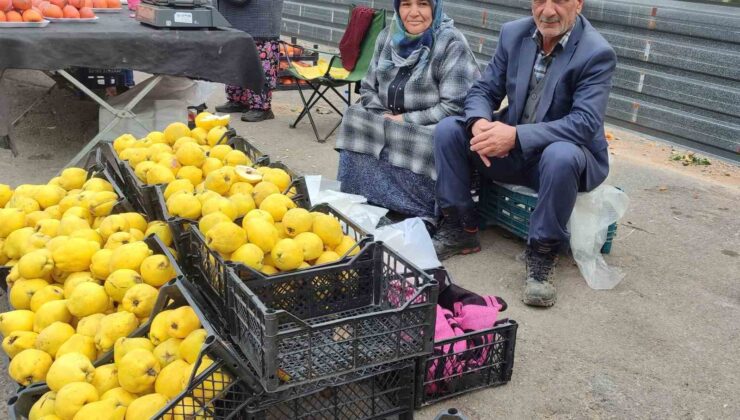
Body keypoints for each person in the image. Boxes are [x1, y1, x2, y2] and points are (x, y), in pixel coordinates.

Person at [432, 0, 617, 307]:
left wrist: (516, 136)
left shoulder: (596, 52)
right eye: (540, 0)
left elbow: (584, 123)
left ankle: (543, 253)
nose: (548, 10)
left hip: (559, 162)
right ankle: (460, 226)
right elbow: (484, 90)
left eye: (559, 0)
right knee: (450, 130)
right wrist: (479, 123)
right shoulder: (514, 34)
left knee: (561, 155)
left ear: (579, 4)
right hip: (514, 151)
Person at [335, 0, 480, 224]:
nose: (413, 13)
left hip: (427, 125)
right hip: (385, 116)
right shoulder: (387, 36)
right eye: (406, 4)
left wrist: (403, 119)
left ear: (435, 7)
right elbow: (367, 88)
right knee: (353, 116)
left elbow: (455, 106)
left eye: (422, 4)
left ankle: (419, 209)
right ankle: (362, 193)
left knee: (434, 138)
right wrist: (383, 115)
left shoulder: (451, 43)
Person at [215, 0, 284, 122]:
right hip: (235, 21)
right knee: (235, 58)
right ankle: (238, 100)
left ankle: (262, 108)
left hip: (259, 21)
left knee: (258, 63)